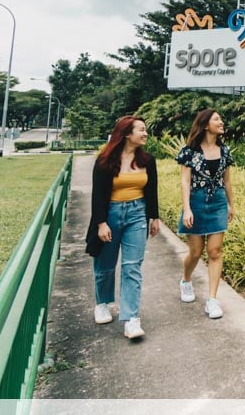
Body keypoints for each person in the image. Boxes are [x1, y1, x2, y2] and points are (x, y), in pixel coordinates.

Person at [85, 116, 160, 339]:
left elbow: (152, 190)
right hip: (110, 214)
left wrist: (154, 217)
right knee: (105, 265)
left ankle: (131, 319)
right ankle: (102, 303)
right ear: (127, 133)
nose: (145, 134)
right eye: (141, 130)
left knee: (132, 266)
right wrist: (101, 223)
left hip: (137, 214)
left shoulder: (147, 160)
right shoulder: (105, 160)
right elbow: (97, 195)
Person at [176, 109, 235, 319]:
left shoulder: (224, 151)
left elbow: (227, 180)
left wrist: (231, 204)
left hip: (218, 202)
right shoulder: (189, 151)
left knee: (215, 251)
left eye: (221, 119)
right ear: (205, 124)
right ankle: (186, 280)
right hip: (196, 201)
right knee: (195, 252)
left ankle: (212, 300)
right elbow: (185, 181)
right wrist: (187, 209)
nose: (221, 122)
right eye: (216, 119)